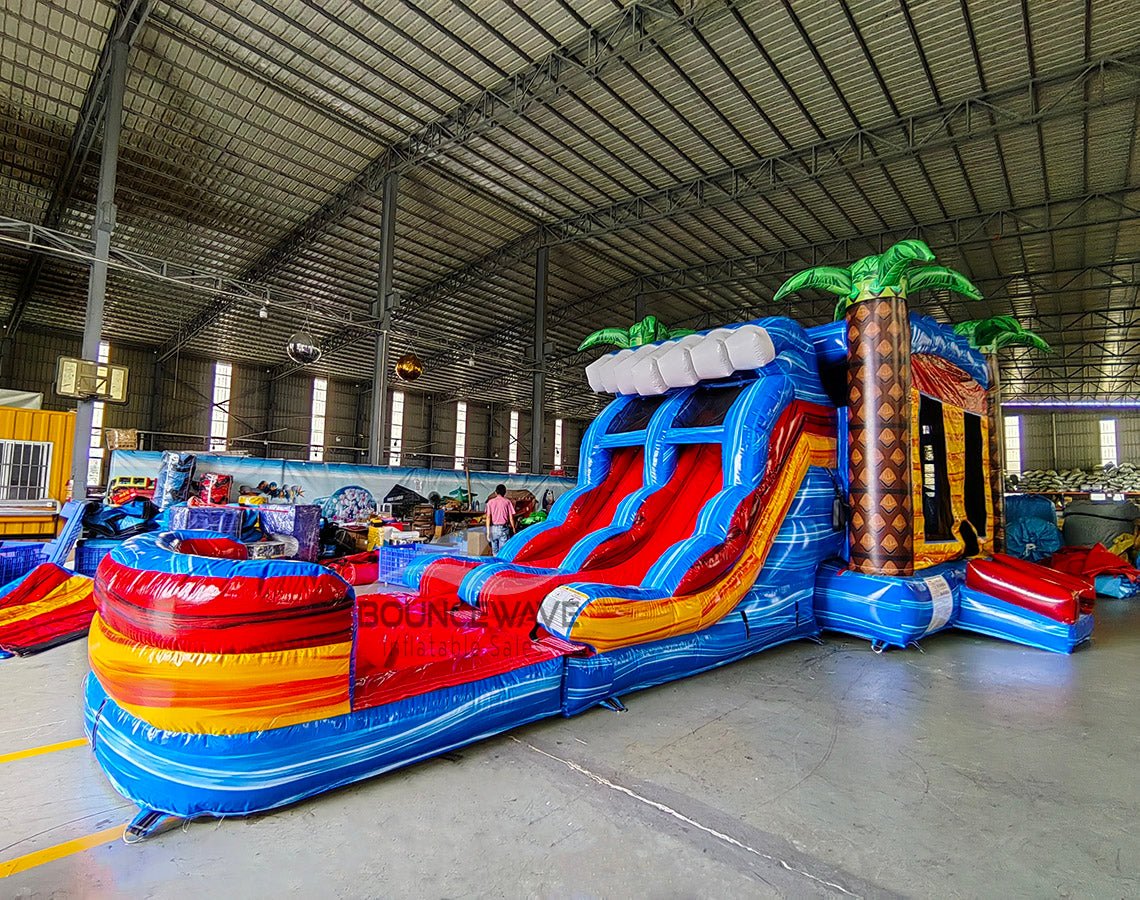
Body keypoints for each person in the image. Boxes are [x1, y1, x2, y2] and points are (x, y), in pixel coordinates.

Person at [484, 484, 516, 555]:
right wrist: (513, 529)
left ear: (496, 492)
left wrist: (488, 531)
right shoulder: (507, 502)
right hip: (503, 529)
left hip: (493, 529)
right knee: (502, 552)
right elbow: (511, 518)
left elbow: (488, 517)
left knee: (495, 552)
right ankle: (501, 565)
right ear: (504, 493)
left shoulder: (490, 502)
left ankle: (495, 565)